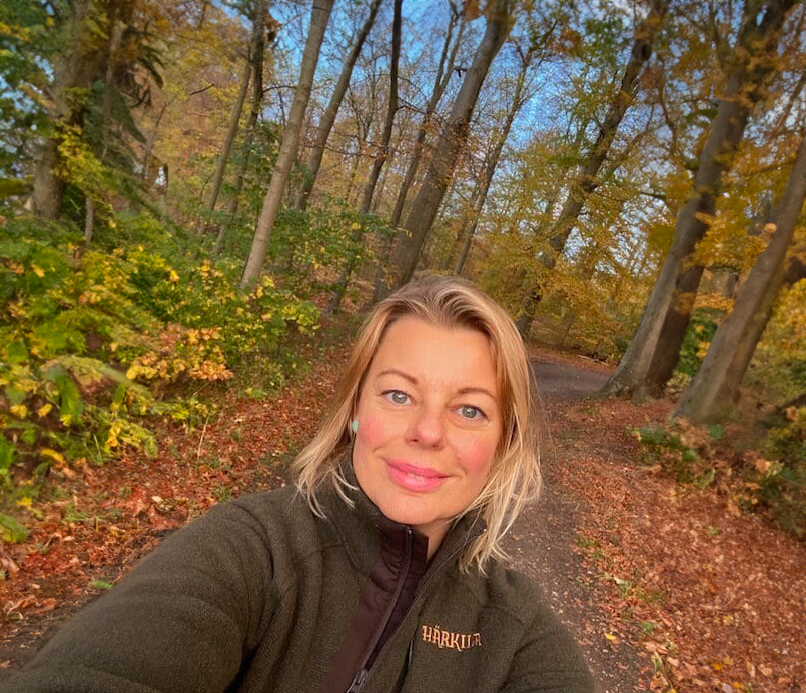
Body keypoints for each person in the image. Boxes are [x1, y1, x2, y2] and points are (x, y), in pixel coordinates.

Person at [2, 276, 595, 693]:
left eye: (469, 410)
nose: (427, 431)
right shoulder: (252, 550)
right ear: (356, 411)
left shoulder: (516, 631)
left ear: (504, 442)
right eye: (398, 394)